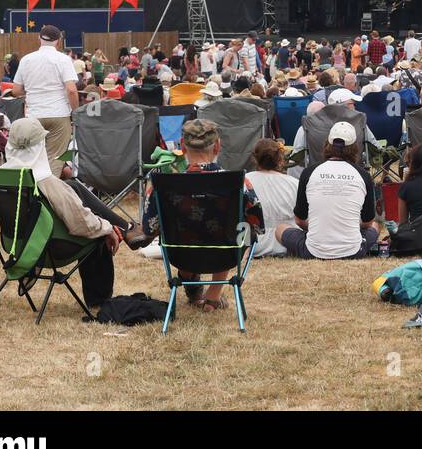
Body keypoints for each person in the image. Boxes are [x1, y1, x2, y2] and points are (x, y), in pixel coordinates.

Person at [1, 117, 147, 308]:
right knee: (99, 232)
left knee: (72, 187)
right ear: (40, 145)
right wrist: (107, 227)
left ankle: (127, 229)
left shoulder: (1, 177)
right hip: (51, 247)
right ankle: (100, 301)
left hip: (15, 245)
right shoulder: (45, 181)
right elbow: (81, 223)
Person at [142, 118, 263, 312]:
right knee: (242, 229)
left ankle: (194, 287)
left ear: (182, 145)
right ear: (217, 146)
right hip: (226, 255)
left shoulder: (161, 184)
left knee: (184, 229)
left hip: (180, 255)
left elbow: (149, 228)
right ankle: (214, 295)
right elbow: (257, 223)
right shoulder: (239, 183)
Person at [275, 121, 379, 260]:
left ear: (328, 144)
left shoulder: (309, 172)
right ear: (355, 147)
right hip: (353, 250)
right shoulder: (363, 175)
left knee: (280, 228)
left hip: (313, 250)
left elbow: (300, 221)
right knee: (376, 226)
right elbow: (368, 223)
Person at [11, 24, 79, 170]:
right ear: (59, 41)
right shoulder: (63, 59)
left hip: (34, 114)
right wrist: (75, 111)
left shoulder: (26, 60)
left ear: (39, 39)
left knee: (34, 159)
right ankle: (47, 192)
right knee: (54, 159)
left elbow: (15, 90)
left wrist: (31, 92)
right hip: (59, 114)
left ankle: (34, 190)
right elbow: (71, 90)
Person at [245, 139, 300, 258]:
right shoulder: (294, 183)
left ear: (255, 158)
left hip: (255, 245)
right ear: (280, 159)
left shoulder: (244, 181)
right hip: (287, 243)